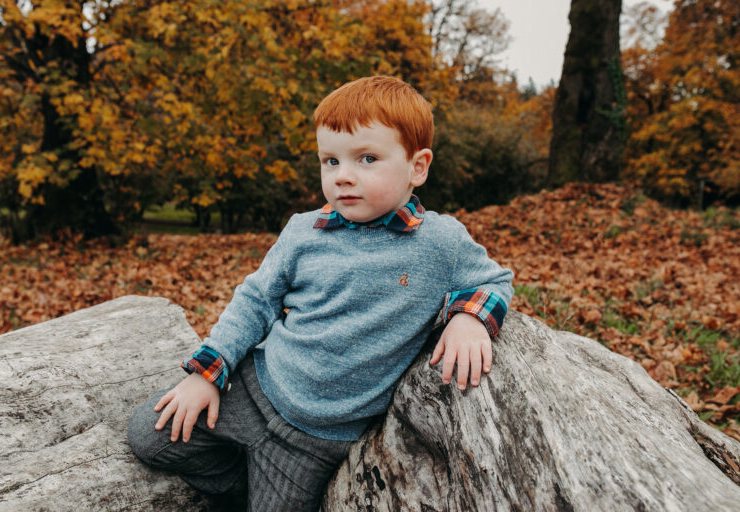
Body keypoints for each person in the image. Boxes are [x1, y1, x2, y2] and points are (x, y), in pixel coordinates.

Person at [127, 76, 514, 511]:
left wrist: (469, 318)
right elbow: (255, 301)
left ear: (417, 167)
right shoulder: (304, 231)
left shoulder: (440, 243)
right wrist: (208, 374)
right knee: (149, 435)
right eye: (330, 161)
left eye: (367, 158)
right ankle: (234, 482)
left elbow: (494, 280)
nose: (343, 176)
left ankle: (254, 486)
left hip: (317, 440)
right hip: (257, 389)